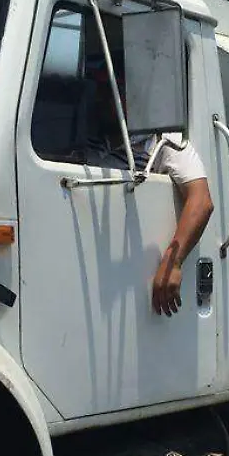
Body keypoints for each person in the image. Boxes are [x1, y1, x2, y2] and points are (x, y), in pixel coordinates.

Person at [86, 54, 215, 318]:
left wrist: (172, 262)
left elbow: (201, 201)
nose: (103, 97)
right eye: (101, 88)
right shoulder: (92, 138)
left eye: (112, 89)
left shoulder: (164, 140)